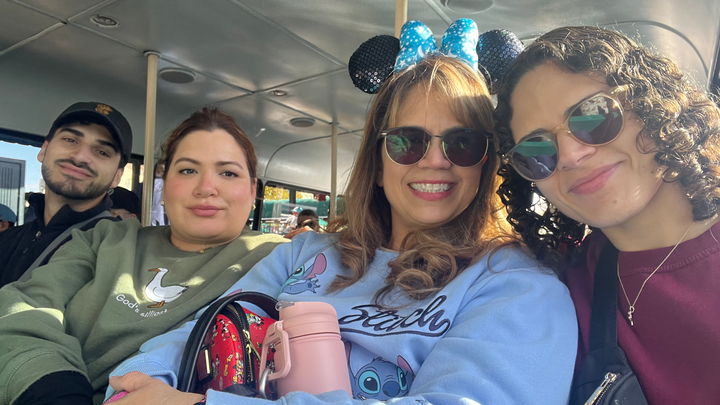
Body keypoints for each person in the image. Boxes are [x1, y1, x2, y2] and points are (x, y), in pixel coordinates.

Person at [107, 19, 577, 405]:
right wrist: (134, 385)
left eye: (462, 143)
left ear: (485, 163)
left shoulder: (515, 284)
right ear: (378, 163)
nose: (435, 160)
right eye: (407, 141)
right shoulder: (303, 254)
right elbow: (201, 329)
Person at [494, 26, 720, 404]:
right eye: (537, 150)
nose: (570, 155)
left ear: (650, 104)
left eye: (592, 116)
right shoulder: (552, 285)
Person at [0, 108, 287, 405]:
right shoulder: (105, 238)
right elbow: (27, 306)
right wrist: (54, 389)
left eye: (228, 173)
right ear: (164, 186)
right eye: (187, 170)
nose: (206, 188)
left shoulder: (282, 257)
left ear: (253, 190)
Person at [0, 102, 133, 288]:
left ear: (117, 176)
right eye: (70, 140)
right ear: (43, 150)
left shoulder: (120, 253)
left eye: (102, 152)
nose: (80, 157)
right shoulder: (7, 239)